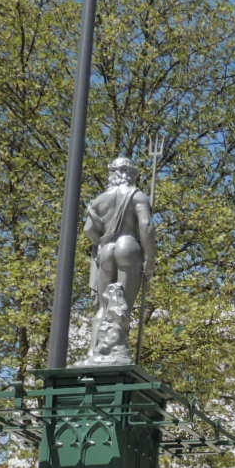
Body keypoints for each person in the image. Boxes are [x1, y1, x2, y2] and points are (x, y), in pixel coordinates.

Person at [82, 155, 155, 362]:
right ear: (130, 175)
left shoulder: (100, 200)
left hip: (105, 249)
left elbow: (89, 230)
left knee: (104, 306)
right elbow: (146, 226)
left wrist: (102, 240)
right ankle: (116, 353)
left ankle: (94, 352)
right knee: (122, 305)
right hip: (128, 246)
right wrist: (150, 257)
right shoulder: (138, 196)